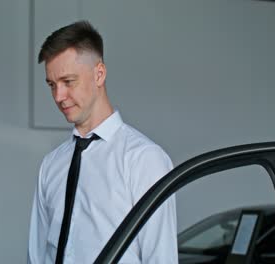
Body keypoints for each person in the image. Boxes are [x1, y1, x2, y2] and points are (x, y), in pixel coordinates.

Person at [28, 21, 177, 263]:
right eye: (52, 85)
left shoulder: (144, 160)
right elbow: (36, 255)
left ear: (99, 74)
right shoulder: (50, 165)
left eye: (68, 82)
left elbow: (160, 258)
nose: (58, 96)